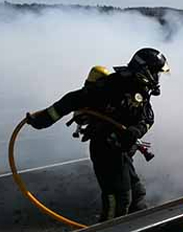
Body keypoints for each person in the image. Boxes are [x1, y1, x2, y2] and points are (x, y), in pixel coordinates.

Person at [27, 48, 169, 221]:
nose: (157, 77)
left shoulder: (141, 88)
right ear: (145, 70)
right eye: (155, 72)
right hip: (105, 148)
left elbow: (147, 117)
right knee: (118, 201)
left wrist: (136, 131)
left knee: (137, 195)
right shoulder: (112, 85)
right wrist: (42, 120)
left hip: (122, 150)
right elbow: (73, 100)